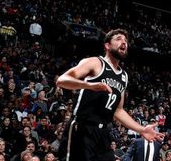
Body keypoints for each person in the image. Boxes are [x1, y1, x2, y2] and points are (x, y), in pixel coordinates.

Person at [55, 29, 163, 161]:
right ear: (107, 45)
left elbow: (118, 110)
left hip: (103, 132)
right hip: (82, 128)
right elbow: (62, 81)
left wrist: (142, 130)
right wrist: (90, 85)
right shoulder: (95, 62)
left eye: (125, 40)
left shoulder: (123, 76)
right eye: (118, 39)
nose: (124, 42)